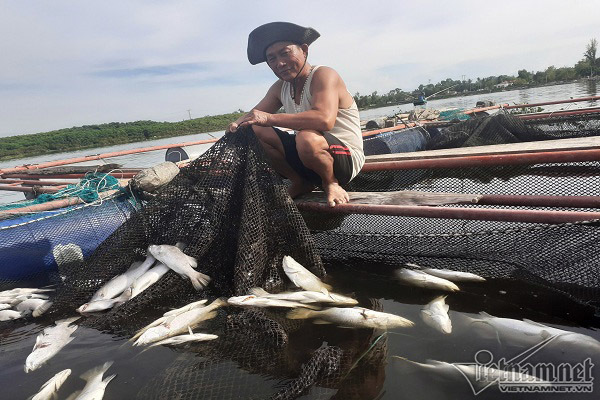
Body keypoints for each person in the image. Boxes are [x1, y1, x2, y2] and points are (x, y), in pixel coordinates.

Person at [227, 22, 364, 207]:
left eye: (285, 53)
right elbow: (254, 115)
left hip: (344, 159)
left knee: (306, 136)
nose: (280, 63)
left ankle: (330, 182)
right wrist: (236, 124)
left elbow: (324, 120)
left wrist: (268, 118)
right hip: (307, 155)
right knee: (255, 130)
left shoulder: (323, 75)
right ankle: (300, 182)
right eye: (272, 58)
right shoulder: (279, 88)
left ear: (304, 50)